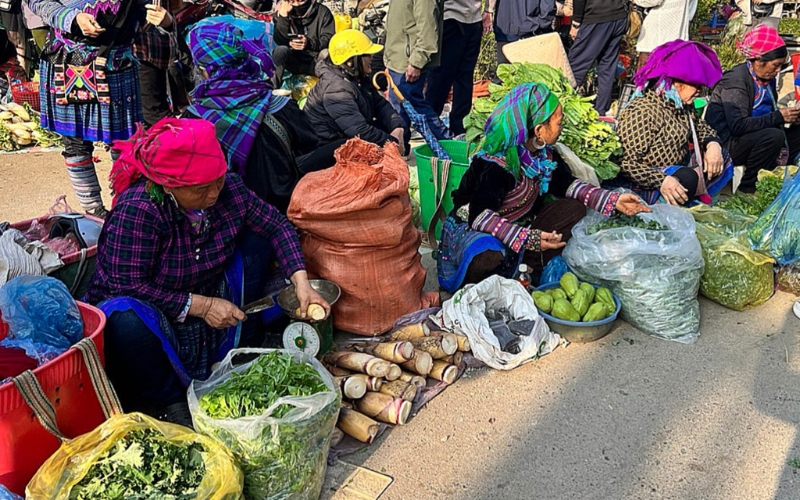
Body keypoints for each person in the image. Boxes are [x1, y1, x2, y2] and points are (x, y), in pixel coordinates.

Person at [84, 118, 329, 425]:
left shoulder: (229, 190)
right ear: (169, 185)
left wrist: (301, 283)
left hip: (209, 284)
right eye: (200, 188)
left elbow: (277, 225)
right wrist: (201, 306)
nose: (214, 193)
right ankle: (168, 401)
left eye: (218, 180)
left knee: (257, 243)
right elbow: (124, 284)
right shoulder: (140, 209)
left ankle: (243, 337)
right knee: (126, 323)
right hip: (158, 308)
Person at [437, 83, 650, 292]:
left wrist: (612, 200)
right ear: (539, 130)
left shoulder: (544, 156)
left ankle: (527, 267)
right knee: (486, 254)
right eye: (559, 122)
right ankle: (484, 281)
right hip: (476, 227)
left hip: (518, 225)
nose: (562, 127)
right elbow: (479, 217)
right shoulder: (497, 164)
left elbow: (567, 185)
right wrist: (528, 238)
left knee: (572, 208)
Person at [27, 0, 169, 218]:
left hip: (118, 62)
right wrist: (72, 18)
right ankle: (94, 212)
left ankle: (127, 207)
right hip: (69, 61)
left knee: (125, 142)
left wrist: (165, 21)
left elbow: (145, 13)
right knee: (75, 143)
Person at [185, 21, 333, 213]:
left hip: (226, 217)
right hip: (285, 210)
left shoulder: (192, 120)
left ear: (204, 71)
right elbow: (308, 145)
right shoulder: (281, 106)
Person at [614, 40, 734, 206]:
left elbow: (701, 128)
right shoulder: (643, 110)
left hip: (676, 168)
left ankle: (697, 200)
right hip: (648, 179)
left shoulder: (682, 105)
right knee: (687, 178)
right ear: (676, 82)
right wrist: (661, 180)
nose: (699, 91)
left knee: (722, 157)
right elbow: (624, 163)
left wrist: (713, 145)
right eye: (696, 85)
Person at [705, 24, 800, 193]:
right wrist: (778, 117)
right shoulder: (736, 81)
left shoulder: (766, 79)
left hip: (752, 136)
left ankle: (781, 181)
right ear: (758, 61)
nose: (778, 71)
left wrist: (790, 118)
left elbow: (768, 114)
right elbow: (738, 125)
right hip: (727, 142)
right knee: (773, 137)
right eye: (775, 65)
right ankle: (749, 188)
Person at [305, 29, 406, 151]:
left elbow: (380, 105)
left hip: (348, 133)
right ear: (350, 61)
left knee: (402, 135)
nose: (372, 58)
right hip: (329, 144)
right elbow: (358, 130)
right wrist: (392, 143)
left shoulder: (357, 77)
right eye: (367, 54)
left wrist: (397, 126)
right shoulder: (336, 88)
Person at [384, 0, 452, 148]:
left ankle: (446, 142)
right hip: (397, 58)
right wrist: (389, 59)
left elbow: (427, 27)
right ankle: (401, 148)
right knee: (398, 109)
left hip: (408, 61)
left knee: (415, 107)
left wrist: (417, 62)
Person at [424, 0, 492, 136]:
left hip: (471, 18)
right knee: (442, 76)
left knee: (462, 78)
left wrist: (488, 10)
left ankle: (458, 127)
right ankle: (430, 124)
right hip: (451, 17)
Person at [568, 0, 628, 116]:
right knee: (607, 67)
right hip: (618, 15)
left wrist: (576, 22)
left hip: (596, 17)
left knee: (575, 67)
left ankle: (561, 109)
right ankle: (601, 111)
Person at [271, 0, 334, 88]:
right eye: (293, 1)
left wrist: (309, 43)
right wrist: (283, 17)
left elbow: (329, 39)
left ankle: (328, 88)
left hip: (316, 62)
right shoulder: (282, 11)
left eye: (301, 1)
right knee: (279, 51)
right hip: (294, 61)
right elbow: (279, 40)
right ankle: (273, 88)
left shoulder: (323, 12)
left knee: (326, 53)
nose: (297, 5)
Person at [487, 0, 556, 66]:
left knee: (505, 73)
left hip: (504, 29)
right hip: (530, 32)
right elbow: (548, 6)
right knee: (530, 73)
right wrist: (541, 24)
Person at [634, 0, 697, 68]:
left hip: (656, 37)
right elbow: (690, 14)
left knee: (647, 72)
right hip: (678, 38)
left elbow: (652, 1)